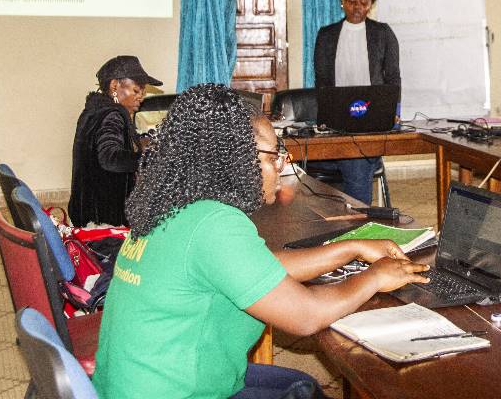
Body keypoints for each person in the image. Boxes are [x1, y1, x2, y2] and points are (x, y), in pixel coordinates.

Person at [92, 83, 428, 399]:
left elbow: (261, 267)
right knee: (303, 392)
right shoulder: (213, 224)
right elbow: (306, 316)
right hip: (176, 391)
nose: (280, 166)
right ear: (235, 158)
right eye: (272, 156)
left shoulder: (173, 209)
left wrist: (351, 248)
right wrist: (374, 277)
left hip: (140, 383)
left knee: (301, 385)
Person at [312, 0, 401, 204]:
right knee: (349, 159)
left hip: (372, 121)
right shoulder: (326, 35)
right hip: (337, 122)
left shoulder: (382, 34)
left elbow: (393, 78)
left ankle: (357, 220)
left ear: (371, 4)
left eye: (364, 1)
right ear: (342, 1)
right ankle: (353, 219)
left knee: (355, 158)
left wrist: (394, 110)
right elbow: (321, 80)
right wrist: (323, 115)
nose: (357, 6)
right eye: (351, 0)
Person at [68, 55, 162, 227]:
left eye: (142, 92)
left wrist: (142, 142)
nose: (141, 96)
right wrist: (155, 158)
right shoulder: (113, 114)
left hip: (87, 214)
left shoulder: (94, 111)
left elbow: (105, 145)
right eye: (136, 90)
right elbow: (110, 158)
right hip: (105, 223)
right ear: (114, 85)